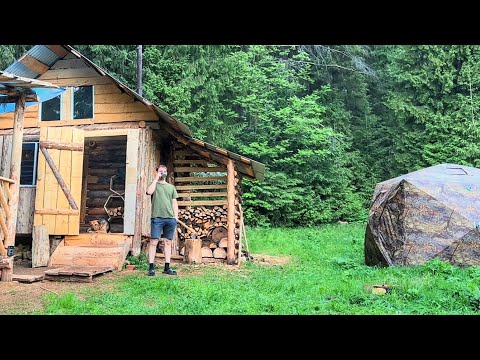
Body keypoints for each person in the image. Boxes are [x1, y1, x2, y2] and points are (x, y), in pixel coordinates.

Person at [146, 164, 179, 276]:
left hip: (170, 219)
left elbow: (174, 203)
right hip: (157, 217)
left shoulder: (171, 187)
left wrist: (176, 217)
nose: (162, 173)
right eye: (160, 171)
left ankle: (167, 267)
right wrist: (156, 179)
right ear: (156, 172)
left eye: (164, 171)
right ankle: (151, 267)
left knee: (168, 242)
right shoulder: (154, 185)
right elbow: (149, 192)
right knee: (154, 241)